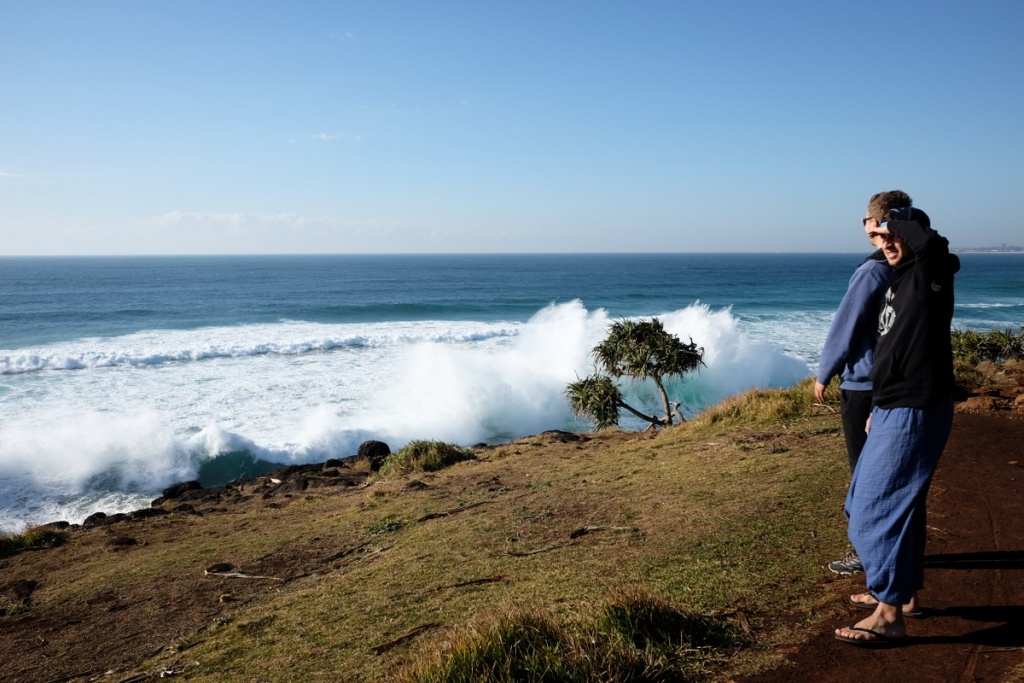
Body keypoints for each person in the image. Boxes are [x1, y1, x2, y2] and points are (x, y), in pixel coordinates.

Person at [834, 205, 960, 647]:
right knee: (865, 503)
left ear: (912, 233)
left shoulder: (930, 272)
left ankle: (889, 614)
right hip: (892, 406)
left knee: (874, 510)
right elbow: (893, 348)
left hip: (917, 407)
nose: (884, 243)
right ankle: (899, 598)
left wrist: (898, 219)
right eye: (875, 237)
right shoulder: (901, 276)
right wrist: (879, 404)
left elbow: (934, 245)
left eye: (891, 235)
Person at [815, 190, 909, 576]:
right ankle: (892, 550)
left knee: (864, 475)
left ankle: (865, 552)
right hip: (896, 379)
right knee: (891, 474)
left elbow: (846, 325)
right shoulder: (907, 265)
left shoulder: (872, 270)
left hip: (862, 384)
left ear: (869, 223)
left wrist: (825, 372)